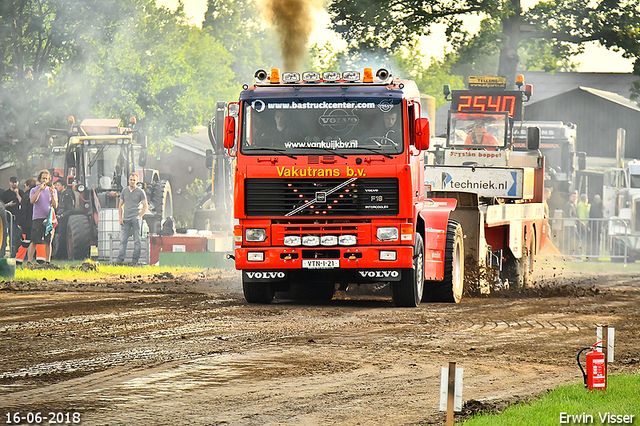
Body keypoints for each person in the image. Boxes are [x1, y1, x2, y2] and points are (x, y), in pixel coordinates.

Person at [115, 172, 148, 266]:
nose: (132, 181)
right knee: (123, 240)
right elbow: (120, 205)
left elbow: (146, 207)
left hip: (135, 219)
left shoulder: (140, 192)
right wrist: (120, 218)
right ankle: (119, 260)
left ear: (137, 181)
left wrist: (139, 216)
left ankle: (135, 261)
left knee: (137, 240)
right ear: (128, 180)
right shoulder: (124, 191)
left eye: (134, 180)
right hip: (126, 219)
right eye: (131, 180)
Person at [27, 170, 58, 265]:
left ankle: (48, 261)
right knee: (34, 240)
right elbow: (32, 201)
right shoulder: (34, 190)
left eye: (46, 178)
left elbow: (55, 205)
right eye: (43, 178)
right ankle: (29, 261)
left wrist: (52, 194)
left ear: (49, 179)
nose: (44, 180)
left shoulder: (52, 190)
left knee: (48, 241)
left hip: (48, 219)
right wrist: (40, 189)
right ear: (40, 179)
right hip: (37, 218)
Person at [52, 179, 75, 258]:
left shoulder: (67, 195)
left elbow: (70, 209)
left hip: (63, 218)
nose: (56, 187)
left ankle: (61, 254)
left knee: (62, 236)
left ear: (63, 186)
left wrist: (62, 215)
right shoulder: (60, 194)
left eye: (58, 185)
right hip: (58, 216)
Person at [15, 178, 37, 265]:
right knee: (37, 241)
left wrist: (21, 222)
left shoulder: (26, 195)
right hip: (36, 221)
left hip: (27, 223)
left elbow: (23, 210)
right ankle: (40, 259)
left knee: (26, 241)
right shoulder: (36, 194)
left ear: (27, 186)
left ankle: (19, 259)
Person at [1, 176, 24, 257]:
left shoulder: (21, 192)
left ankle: (15, 253)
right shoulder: (5, 193)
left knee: (16, 236)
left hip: (18, 218)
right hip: (8, 217)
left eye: (16, 182)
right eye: (13, 182)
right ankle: (9, 252)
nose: (14, 184)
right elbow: (2, 205)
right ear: (10, 183)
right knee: (9, 236)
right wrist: (8, 204)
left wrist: (17, 194)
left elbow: (23, 203)